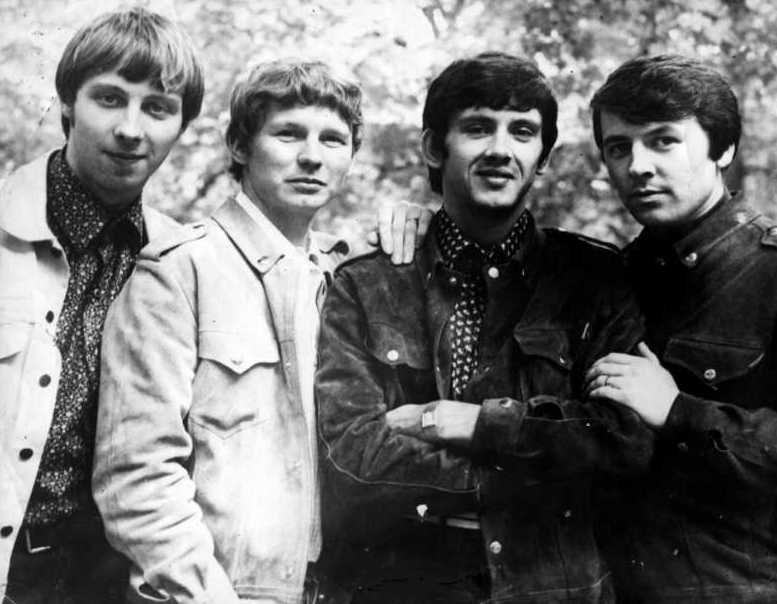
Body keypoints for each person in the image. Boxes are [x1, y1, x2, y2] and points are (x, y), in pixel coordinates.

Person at [315, 51, 654, 604]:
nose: (501, 149)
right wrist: (537, 469)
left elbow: (625, 441)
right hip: (405, 587)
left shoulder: (595, 280)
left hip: (555, 590)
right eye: (477, 128)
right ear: (433, 146)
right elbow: (351, 454)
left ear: (543, 157)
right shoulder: (367, 284)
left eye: (522, 131)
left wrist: (476, 426)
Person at [93, 59, 425, 604]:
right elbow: (137, 478)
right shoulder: (179, 270)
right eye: (288, 134)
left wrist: (425, 223)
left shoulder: (349, 278)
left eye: (333, 139)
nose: (312, 156)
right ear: (241, 146)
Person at [0, 8, 204, 602]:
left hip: (109, 579)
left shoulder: (182, 261)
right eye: (110, 99)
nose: (131, 129)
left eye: (157, 108)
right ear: (68, 103)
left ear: (181, 126)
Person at [586, 54, 777, 603]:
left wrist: (678, 411)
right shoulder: (605, 278)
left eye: (664, 141)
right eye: (618, 148)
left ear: (723, 149)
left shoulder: (769, 272)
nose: (638, 166)